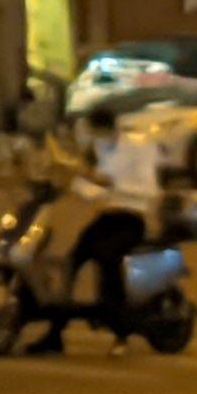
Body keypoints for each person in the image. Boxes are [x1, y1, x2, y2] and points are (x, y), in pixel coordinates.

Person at [57, 117, 166, 347]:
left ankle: (121, 329)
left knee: (108, 259)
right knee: (72, 259)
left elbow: (149, 190)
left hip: (131, 218)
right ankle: (55, 330)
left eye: (98, 134)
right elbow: (97, 192)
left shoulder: (138, 150)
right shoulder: (105, 153)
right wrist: (75, 183)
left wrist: (113, 184)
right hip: (106, 218)